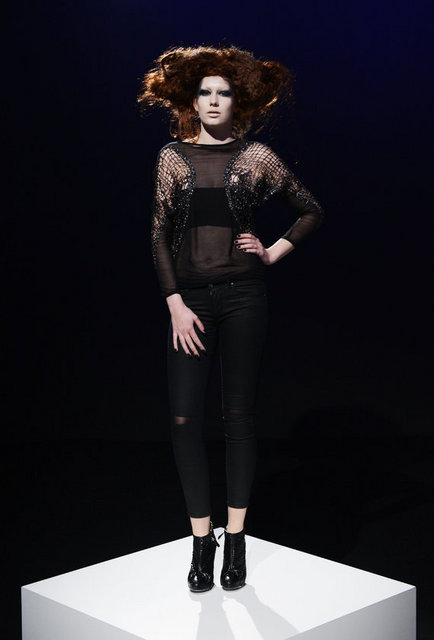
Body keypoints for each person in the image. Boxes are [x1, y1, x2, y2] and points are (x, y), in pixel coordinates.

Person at [137, 44, 324, 592]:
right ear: (192, 101)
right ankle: (202, 540)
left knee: (238, 418)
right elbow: (158, 234)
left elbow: (311, 210)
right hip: (190, 303)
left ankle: (236, 538)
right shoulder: (172, 157)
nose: (214, 101)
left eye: (224, 93)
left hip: (245, 296)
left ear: (237, 102)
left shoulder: (256, 157)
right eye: (206, 92)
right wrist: (174, 302)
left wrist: (272, 251)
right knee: (183, 421)